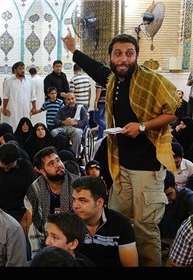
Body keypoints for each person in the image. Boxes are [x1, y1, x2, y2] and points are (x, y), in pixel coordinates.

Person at [63, 31, 180, 267]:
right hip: (122, 167)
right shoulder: (113, 80)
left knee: (145, 229)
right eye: (118, 54)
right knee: (119, 221)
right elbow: (95, 69)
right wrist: (74, 50)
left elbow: (174, 111)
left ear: (136, 56)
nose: (123, 59)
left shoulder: (150, 80)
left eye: (129, 53)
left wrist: (143, 126)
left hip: (147, 169)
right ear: (111, 57)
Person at [72, 176, 138, 267]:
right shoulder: (68, 222)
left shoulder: (121, 224)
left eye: (82, 201)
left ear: (99, 203)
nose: (75, 206)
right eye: (74, 199)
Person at [25, 146, 77, 255]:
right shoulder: (35, 189)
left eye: (58, 160)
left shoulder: (78, 184)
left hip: (74, 242)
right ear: (42, 171)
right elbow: (32, 223)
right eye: (51, 164)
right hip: (46, 242)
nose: (58, 165)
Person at [159, 170, 193, 245]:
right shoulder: (155, 199)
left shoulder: (187, 197)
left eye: (169, 194)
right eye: (162, 196)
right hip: (160, 239)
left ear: (176, 185)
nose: (166, 200)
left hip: (181, 241)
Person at [51, 92, 89, 158]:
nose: (71, 101)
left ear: (75, 99)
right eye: (68, 99)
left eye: (72, 98)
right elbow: (55, 120)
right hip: (64, 127)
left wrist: (76, 122)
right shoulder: (62, 109)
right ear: (65, 101)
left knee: (77, 133)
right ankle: (58, 154)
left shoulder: (81, 108)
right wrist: (63, 122)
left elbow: (85, 122)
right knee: (53, 132)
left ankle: (74, 155)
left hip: (76, 128)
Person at [2, 61, 36, 131]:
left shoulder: (30, 81)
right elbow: (6, 96)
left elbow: (33, 96)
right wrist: (4, 108)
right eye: (20, 68)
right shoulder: (9, 81)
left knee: (26, 125)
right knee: (14, 125)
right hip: (14, 108)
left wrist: (34, 107)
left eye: (23, 68)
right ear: (15, 70)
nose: (22, 70)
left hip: (26, 108)